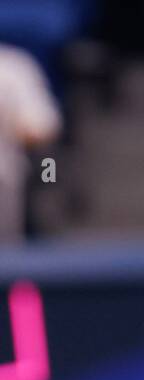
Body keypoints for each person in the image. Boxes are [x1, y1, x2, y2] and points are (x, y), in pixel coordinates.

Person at [0, 43, 62, 241]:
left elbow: (42, 129)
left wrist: (48, 177)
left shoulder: (12, 68)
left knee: (47, 162)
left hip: (6, 178)